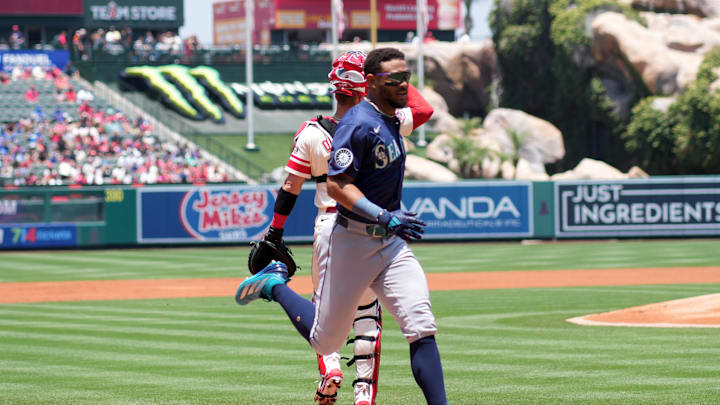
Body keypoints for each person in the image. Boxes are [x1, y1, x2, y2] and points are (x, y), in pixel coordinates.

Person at [235, 47, 449, 405]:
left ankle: (371, 394)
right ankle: (273, 285)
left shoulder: (387, 119)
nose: (402, 85)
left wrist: (392, 71)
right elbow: (337, 185)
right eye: (393, 80)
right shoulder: (357, 124)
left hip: (387, 240)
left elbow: (291, 187)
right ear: (366, 84)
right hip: (348, 234)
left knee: (420, 326)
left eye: (405, 79)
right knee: (326, 339)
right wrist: (383, 215)